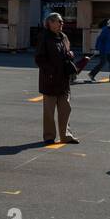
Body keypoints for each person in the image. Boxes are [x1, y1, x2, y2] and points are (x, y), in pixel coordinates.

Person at [34, 12, 77, 144]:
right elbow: (39, 59)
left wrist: (70, 54)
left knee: (66, 109)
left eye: (61, 21)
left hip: (63, 79)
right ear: (50, 23)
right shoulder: (44, 37)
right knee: (49, 111)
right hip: (50, 80)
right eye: (59, 21)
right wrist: (51, 71)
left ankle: (66, 135)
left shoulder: (63, 37)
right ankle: (49, 136)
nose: (61, 24)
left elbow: (67, 52)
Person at [87, 18, 110, 82]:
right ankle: (92, 74)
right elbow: (99, 39)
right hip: (103, 50)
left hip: (109, 50)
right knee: (103, 63)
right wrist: (97, 49)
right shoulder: (105, 30)